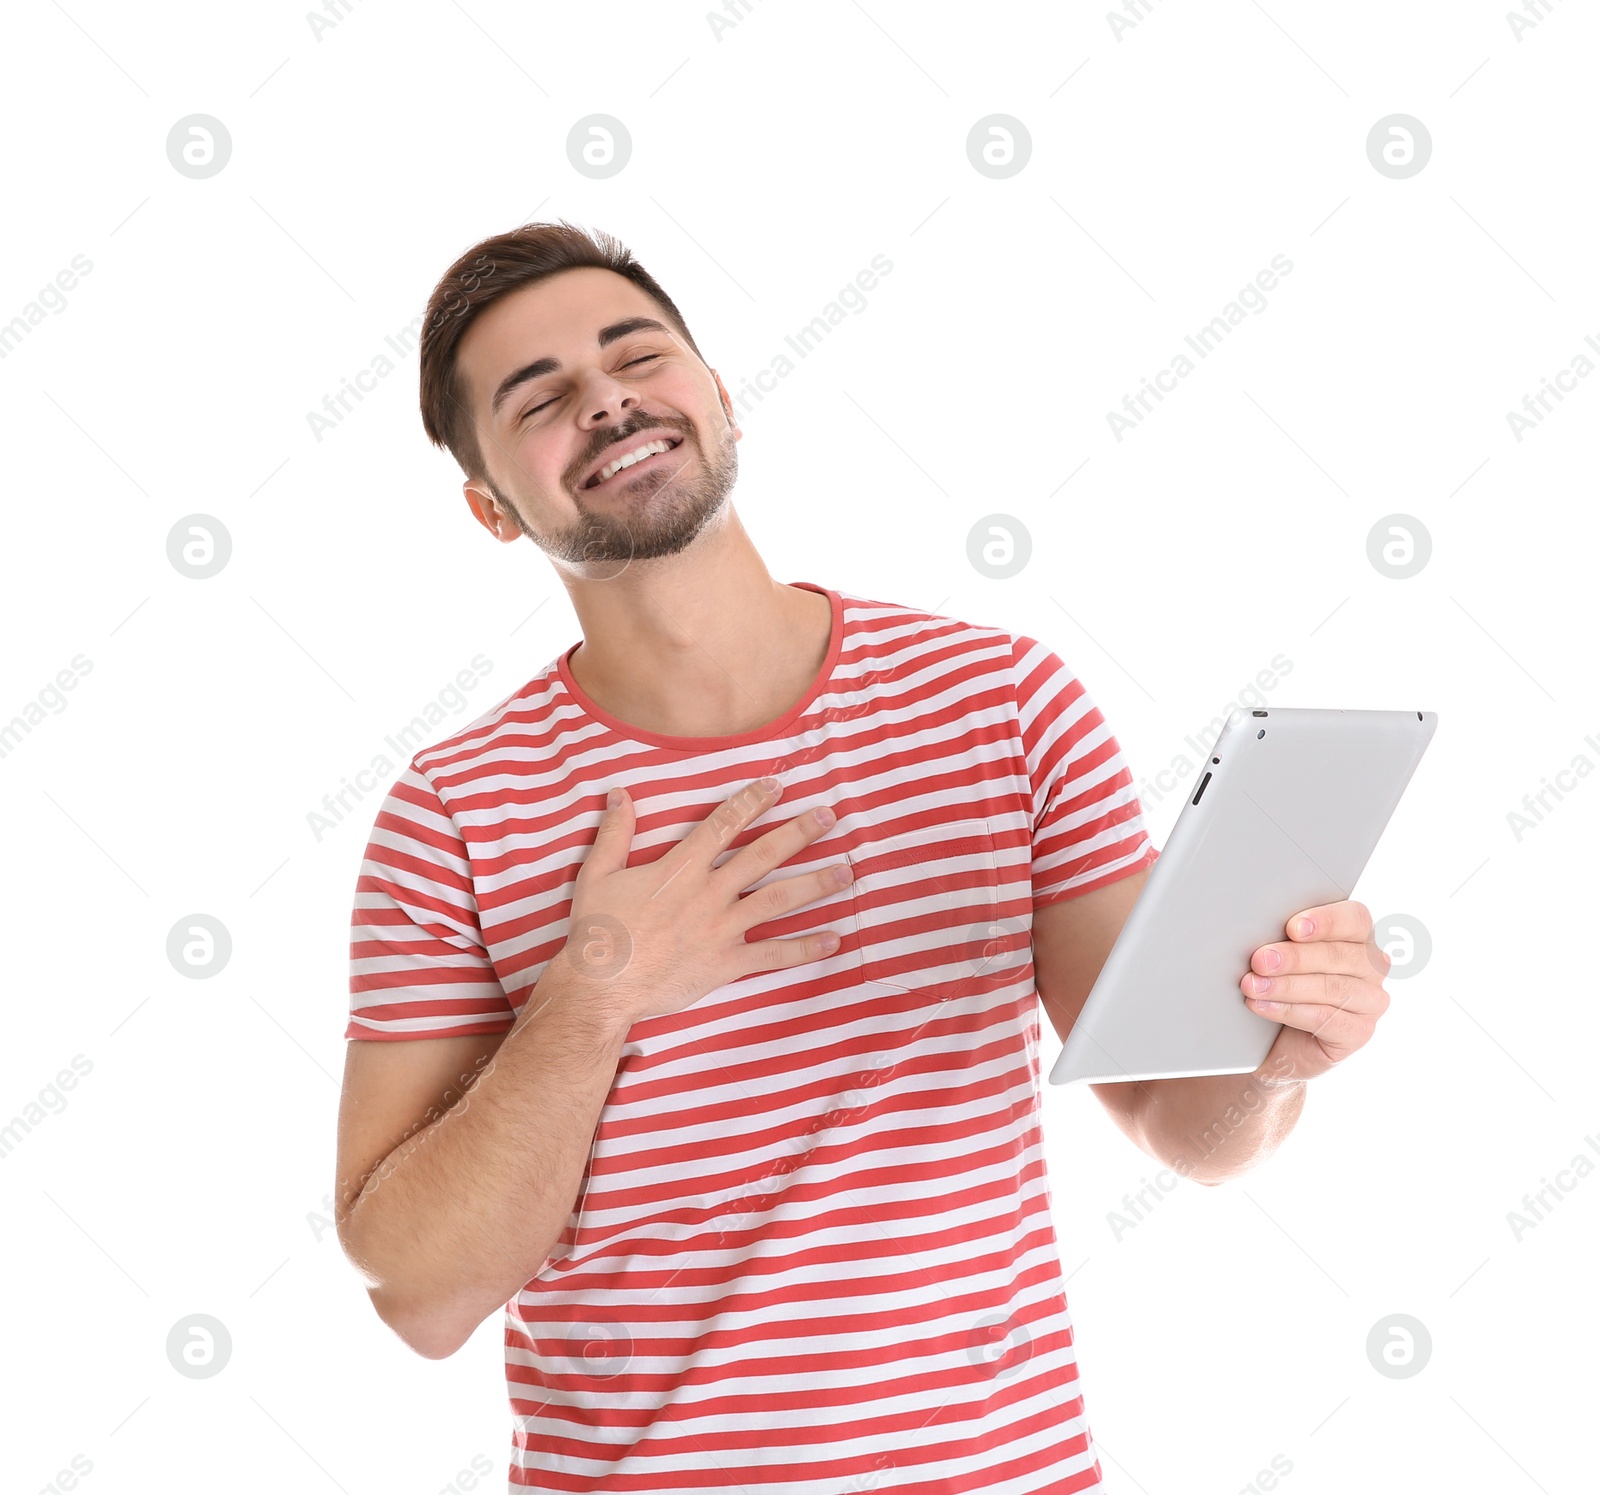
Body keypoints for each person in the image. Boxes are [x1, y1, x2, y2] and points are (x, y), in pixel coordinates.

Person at [334, 220, 1394, 1493]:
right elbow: (420, 1295)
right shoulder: (453, 810)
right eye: (541, 398)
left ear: (719, 400)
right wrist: (595, 992)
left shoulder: (997, 703)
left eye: (636, 355)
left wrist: (1278, 1063)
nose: (607, 399)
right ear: (491, 506)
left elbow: (1186, 1124)